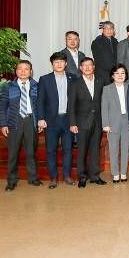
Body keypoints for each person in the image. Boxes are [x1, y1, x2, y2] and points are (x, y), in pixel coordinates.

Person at [0, 60, 42, 191]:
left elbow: (40, 106)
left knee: (31, 152)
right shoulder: (8, 87)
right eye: (20, 69)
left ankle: (33, 178)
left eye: (26, 69)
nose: (23, 71)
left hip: (30, 120)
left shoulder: (36, 86)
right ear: (16, 71)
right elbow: (2, 107)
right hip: (14, 121)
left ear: (31, 71)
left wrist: (40, 120)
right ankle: (11, 180)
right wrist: (3, 124)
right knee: (13, 153)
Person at [37, 52, 76, 189]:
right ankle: (53, 178)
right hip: (51, 121)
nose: (59, 64)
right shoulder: (45, 79)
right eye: (56, 62)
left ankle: (67, 176)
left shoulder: (73, 78)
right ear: (52, 64)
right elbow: (40, 100)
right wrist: (41, 118)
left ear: (66, 63)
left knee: (68, 150)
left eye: (61, 62)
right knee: (51, 150)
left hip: (68, 120)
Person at [68, 57, 107, 188]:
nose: (87, 67)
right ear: (81, 68)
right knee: (82, 151)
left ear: (94, 67)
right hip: (81, 122)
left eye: (90, 65)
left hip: (97, 121)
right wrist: (72, 123)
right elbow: (71, 105)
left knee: (95, 150)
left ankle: (95, 176)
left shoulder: (100, 81)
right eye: (84, 65)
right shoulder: (75, 84)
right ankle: (82, 177)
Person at [101, 64, 129, 184]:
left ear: (126, 75)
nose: (120, 75)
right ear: (113, 76)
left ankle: (123, 173)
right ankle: (115, 173)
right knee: (113, 150)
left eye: (122, 73)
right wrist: (105, 124)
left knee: (126, 149)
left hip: (127, 122)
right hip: (112, 123)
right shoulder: (107, 89)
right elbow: (104, 107)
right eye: (117, 73)